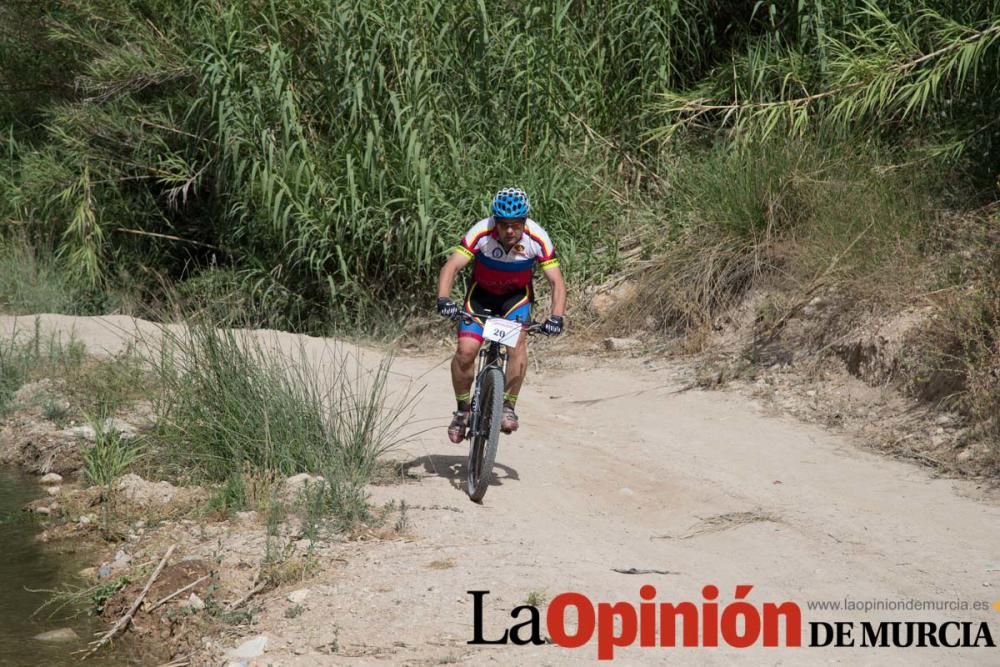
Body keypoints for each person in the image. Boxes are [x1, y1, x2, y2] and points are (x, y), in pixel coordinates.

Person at [436, 187, 566, 443]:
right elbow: (451, 266)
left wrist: (556, 317)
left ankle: (508, 405)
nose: (509, 231)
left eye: (516, 225)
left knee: (517, 345)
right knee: (465, 351)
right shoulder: (481, 232)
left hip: (514, 301)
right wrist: (443, 299)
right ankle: (462, 411)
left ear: (524, 221)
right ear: (495, 221)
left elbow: (557, 282)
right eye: (503, 224)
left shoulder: (537, 237)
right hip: (480, 298)